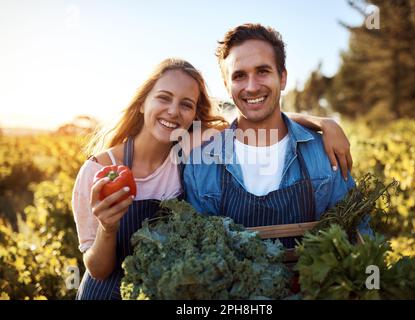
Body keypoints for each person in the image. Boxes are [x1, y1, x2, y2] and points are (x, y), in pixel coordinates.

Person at [72, 57, 353, 300]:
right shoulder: (98, 171)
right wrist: (108, 229)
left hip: (163, 290)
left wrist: (323, 123)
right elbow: (96, 269)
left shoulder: (192, 149)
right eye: (163, 98)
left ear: (194, 114)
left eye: (186, 104)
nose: (173, 111)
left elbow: (260, 116)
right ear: (143, 103)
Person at [183, 23, 369, 249]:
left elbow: (359, 239)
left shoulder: (325, 154)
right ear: (226, 85)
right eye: (239, 76)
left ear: (282, 78)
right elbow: (196, 252)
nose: (251, 87)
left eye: (262, 71)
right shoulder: (201, 166)